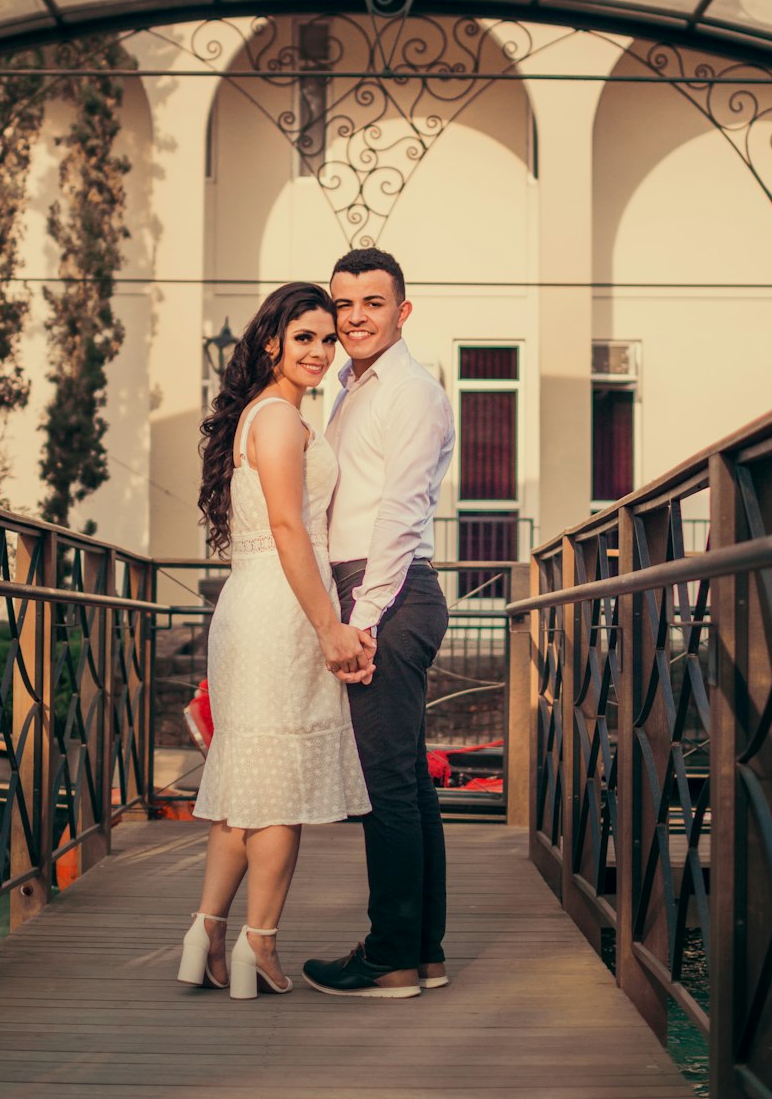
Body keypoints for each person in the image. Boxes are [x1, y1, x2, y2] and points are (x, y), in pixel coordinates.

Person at [177, 282, 373, 1000]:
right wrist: (330, 626)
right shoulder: (281, 421)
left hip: (253, 602)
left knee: (245, 783)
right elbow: (291, 527)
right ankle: (257, 945)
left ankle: (205, 931)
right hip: (281, 609)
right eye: (305, 339)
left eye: (328, 339)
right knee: (278, 788)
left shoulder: (263, 415)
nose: (321, 352)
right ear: (271, 344)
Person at [302, 248, 455, 999]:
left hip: (386, 593)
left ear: (403, 310)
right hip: (369, 590)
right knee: (406, 782)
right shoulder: (348, 389)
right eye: (344, 304)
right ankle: (420, 951)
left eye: (372, 302)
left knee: (387, 782)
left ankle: (391, 952)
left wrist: (359, 621)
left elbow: (399, 513)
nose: (356, 316)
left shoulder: (413, 392)